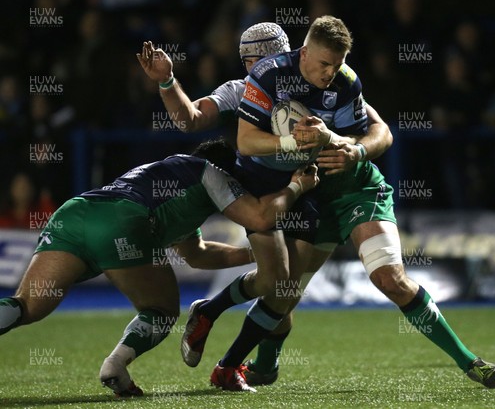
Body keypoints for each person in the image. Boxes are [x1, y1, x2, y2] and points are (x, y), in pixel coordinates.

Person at [193, 16, 495, 392]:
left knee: (389, 280)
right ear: (304, 52)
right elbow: (241, 140)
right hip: (311, 197)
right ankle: (260, 363)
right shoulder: (264, 79)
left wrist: (353, 150)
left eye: (337, 63)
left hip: (356, 191)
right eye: (325, 64)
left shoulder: (345, 82)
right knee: (282, 293)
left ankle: (469, 362)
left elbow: (380, 133)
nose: (331, 71)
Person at [0, 139, 318, 397]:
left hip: (74, 213)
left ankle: (115, 368)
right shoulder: (212, 172)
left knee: (27, 306)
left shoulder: (174, 183)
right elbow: (261, 217)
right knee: (161, 310)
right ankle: (115, 365)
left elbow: (199, 255)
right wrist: (296, 188)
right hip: (121, 222)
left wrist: (255, 255)